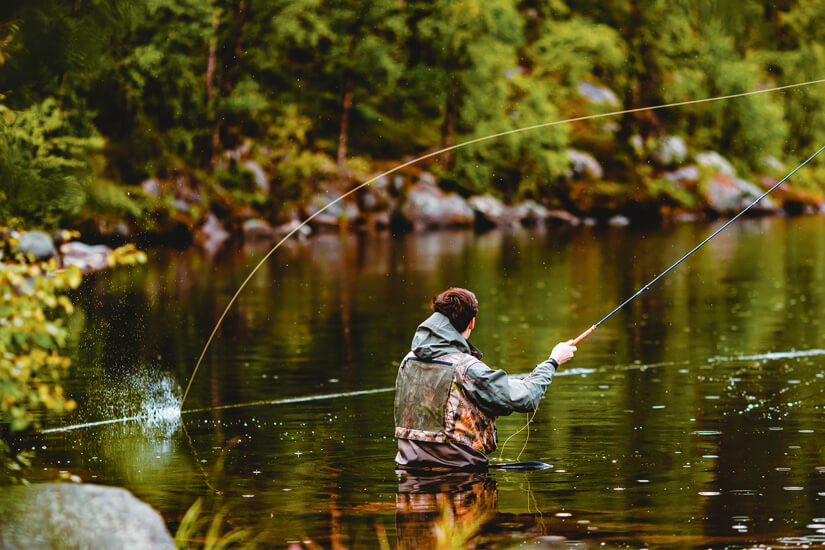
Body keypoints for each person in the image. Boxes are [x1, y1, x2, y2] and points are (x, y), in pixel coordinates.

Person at [394, 287, 576, 470]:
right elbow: (526, 398)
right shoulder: (466, 367)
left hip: (407, 471)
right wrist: (553, 361)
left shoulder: (408, 360)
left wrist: (510, 385)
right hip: (461, 476)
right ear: (472, 322)